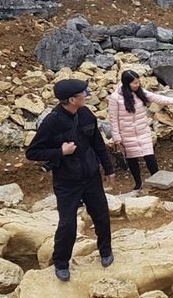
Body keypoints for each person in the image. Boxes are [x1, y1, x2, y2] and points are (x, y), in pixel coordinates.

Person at [26, 79, 115, 282]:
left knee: (101, 216)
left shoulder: (85, 114)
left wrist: (108, 169)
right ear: (72, 99)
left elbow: (98, 143)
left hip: (91, 177)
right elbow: (32, 152)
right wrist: (60, 151)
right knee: (67, 224)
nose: (87, 95)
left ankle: (106, 251)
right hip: (67, 182)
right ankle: (62, 263)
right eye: (83, 93)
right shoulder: (52, 122)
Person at [108, 70, 173, 191]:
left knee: (149, 156)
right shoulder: (115, 98)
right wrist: (116, 137)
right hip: (126, 134)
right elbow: (113, 119)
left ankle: (157, 180)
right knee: (132, 159)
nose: (137, 85)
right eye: (134, 83)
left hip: (142, 131)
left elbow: (157, 98)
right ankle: (138, 183)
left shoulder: (140, 92)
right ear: (126, 83)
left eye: (138, 82)